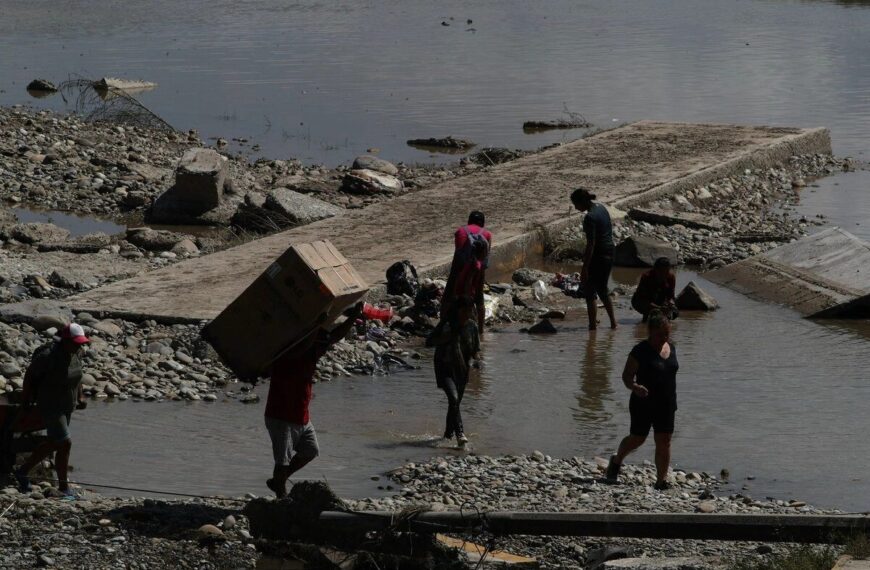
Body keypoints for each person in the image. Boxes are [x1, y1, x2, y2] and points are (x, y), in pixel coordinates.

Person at [264, 302, 363, 498]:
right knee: (282, 461)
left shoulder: (311, 351)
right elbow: (299, 349)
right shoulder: (286, 353)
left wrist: (353, 318)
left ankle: (278, 481)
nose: (322, 349)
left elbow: (334, 337)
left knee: (310, 451)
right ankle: (281, 496)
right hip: (282, 416)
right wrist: (316, 327)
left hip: (301, 416)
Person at [605, 311, 679, 490]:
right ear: (650, 332)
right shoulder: (640, 351)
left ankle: (661, 481)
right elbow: (626, 376)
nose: (664, 337)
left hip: (667, 403)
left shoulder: (672, 347)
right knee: (638, 438)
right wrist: (635, 387)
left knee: (664, 440)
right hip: (643, 403)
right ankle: (616, 461)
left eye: (667, 333)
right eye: (660, 334)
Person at [15, 323, 90, 497]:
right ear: (64, 341)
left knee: (61, 446)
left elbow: (77, 375)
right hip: (50, 405)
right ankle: (25, 470)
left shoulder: (76, 353)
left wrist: (81, 396)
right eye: (76, 342)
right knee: (64, 441)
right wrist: (25, 402)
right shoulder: (47, 357)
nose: (80, 345)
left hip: (67, 405)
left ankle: (62, 487)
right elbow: (29, 377)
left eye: (81, 343)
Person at [428, 296, 480, 447]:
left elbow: (476, 350)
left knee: (454, 404)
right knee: (454, 399)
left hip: (462, 369)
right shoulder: (446, 325)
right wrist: (446, 338)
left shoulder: (472, 327)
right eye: (464, 311)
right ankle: (460, 434)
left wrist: (477, 361)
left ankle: (447, 437)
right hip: (444, 368)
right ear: (457, 311)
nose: (467, 314)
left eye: (469, 311)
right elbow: (429, 341)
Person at [571, 188, 617, 330]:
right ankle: (613, 323)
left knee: (590, 291)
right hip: (609, 252)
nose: (575, 207)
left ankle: (592, 327)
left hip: (598, 255)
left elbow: (591, 245)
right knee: (603, 289)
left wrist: (585, 268)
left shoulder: (590, 217)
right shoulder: (601, 207)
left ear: (583, 201)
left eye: (576, 204)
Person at [442, 211, 492, 336]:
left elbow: (458, 253)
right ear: (482, 222)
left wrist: (456, 274)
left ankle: (443, 324)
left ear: (469, 221)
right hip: (478, 269)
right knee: (479, 299)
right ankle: (481, 331)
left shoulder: (461, 231)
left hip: (460, 268)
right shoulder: (487, 234)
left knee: (448, 298)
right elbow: (485, 257)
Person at [631, 257, 678, 322]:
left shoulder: (671, 277)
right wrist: (659, 308)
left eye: (667, 272)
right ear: (655, 270)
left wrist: (671, 304)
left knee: (674, 313)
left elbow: (671, 296)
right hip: (641, 301)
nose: (664, 275)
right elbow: (643, 300)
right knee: (647, 311)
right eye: (661, 272)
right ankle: (646, 319)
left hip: (659, 299)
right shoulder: (646, 277)